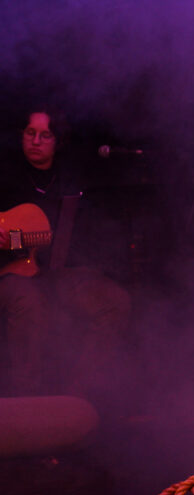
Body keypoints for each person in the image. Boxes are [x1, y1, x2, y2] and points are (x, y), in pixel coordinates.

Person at [0, 106, 131, 400]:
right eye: (30, 133)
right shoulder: (6, 173)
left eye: (45, 135)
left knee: (114, 301)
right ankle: (28, 401)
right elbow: (16, 239)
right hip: (9, 274)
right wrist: (12, 239)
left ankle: (76, 397)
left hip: (53, 270)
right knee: (28, 299)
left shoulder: (69, 182)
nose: (35, 141)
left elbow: (76, 236)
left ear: (57, 141)